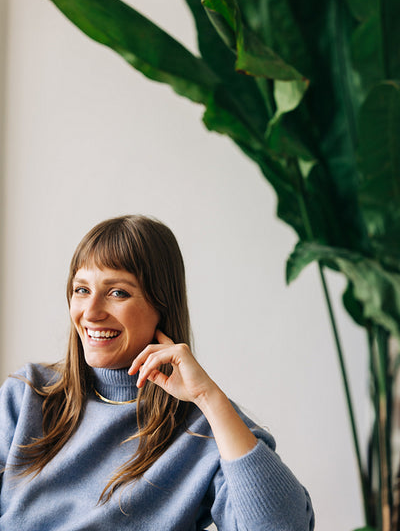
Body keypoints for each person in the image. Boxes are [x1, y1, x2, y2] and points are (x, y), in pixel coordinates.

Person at [0, 214, 314, 530]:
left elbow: (283, 526)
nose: (91, 312)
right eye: (81, 289)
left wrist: (209, 398)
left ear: (161, 306)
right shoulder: (27, 394)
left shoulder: (203, 429)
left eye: (117, 292)